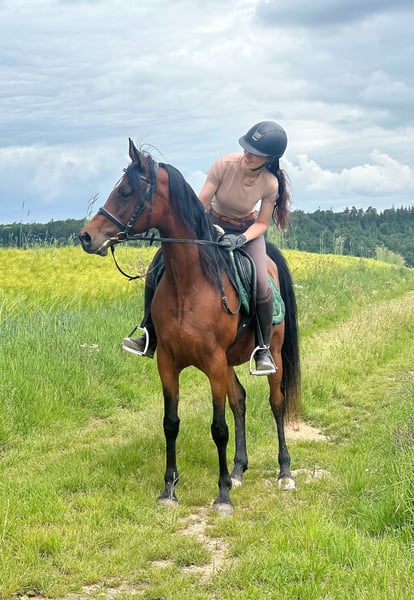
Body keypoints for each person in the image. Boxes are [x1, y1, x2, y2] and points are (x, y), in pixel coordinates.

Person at [122, 120, 292, 375]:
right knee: (158, 263)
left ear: (269, 159)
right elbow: (201, 202)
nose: (247, 154)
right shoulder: (224, 164)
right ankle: (148, 333)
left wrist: (241, 239)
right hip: (212, 222)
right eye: (247, 148)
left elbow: (261, 224)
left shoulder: (270, 183)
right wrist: (187, 229)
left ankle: (263, 348)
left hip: (247, 232)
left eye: (255, 152)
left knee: (260, 282)